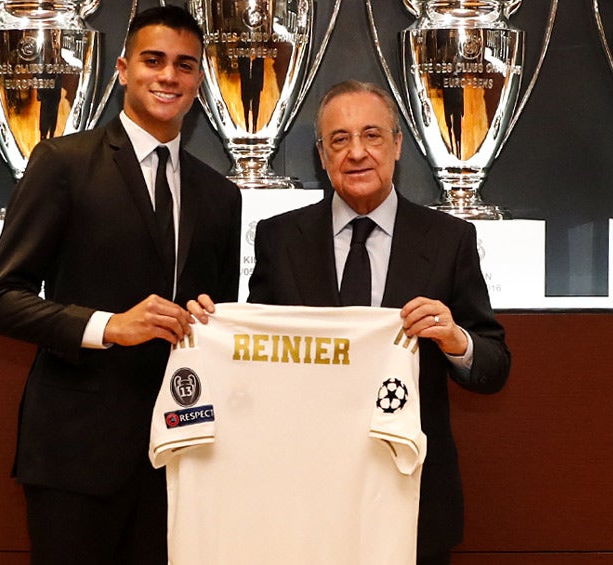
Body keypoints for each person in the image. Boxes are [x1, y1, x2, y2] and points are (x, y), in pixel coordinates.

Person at [190, 79, 510, 564]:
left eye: (372, 135)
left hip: (411, 491)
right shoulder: (280, 239)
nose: (356, 152)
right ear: (321, 155)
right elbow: (256, 357)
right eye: (339, 140)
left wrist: (455, 339)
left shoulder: (450, 238)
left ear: (398, 144)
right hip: (303, 494)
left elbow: (495, 365)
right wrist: (209, 334)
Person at [0, 6, 242, 564]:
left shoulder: (221, 195)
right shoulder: (61, 163)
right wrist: (108, 327)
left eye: (185, 65)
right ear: (122, 69)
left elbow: (222, 317)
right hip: (76, 456)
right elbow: (1, 301)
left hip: (180, 456)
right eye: (153, 60)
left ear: (200, 82)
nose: (169, 76)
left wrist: (209, 319)